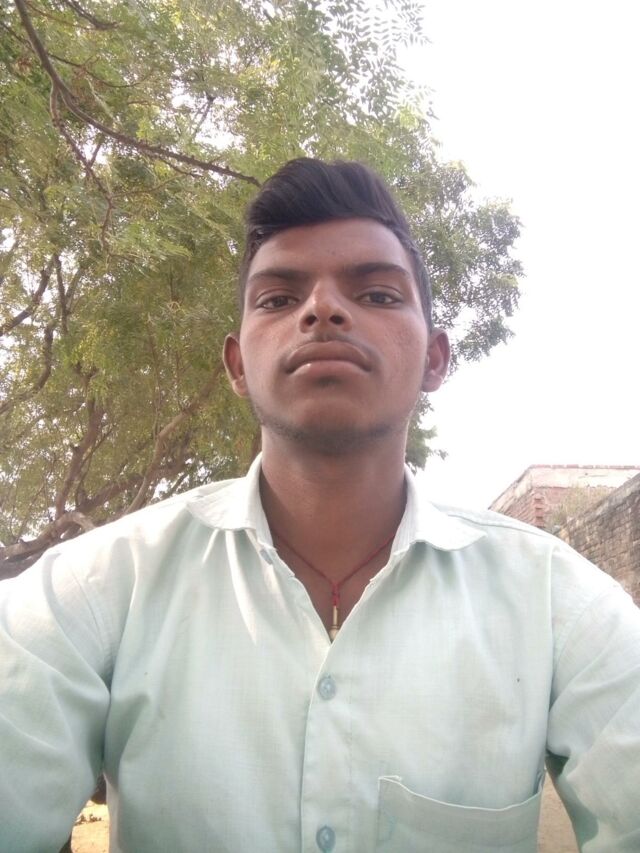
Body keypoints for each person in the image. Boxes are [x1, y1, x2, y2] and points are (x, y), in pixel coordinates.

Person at [1, 159, 639, 853]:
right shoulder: (97, 589)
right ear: (237, 365)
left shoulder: (556, 601)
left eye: (377, 293)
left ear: (435, 359)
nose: (322, 310)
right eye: (278, 299)